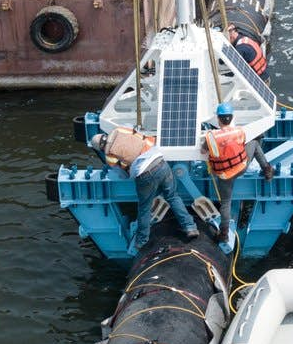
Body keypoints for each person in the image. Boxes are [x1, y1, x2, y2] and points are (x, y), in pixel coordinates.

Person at [94, 127, 198, 253]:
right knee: (173, 196)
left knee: (144, 208)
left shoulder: (109, 156)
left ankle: (141, 241)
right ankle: (190, 227)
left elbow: (123, 175)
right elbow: (143, 136)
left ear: (101, 147)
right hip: (160, 162)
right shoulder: (121, 130)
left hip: (145, 174)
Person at [202, 102, 274, 250]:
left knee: (226, 203)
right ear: (232, 118)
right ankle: (267, 169)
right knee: (254, 143)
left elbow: (203, 151)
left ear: (218, 119)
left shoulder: (211, 137)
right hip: (241, 168)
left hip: (224, 175)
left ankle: (224, 233)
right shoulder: (239, 131)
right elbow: (241, 144)